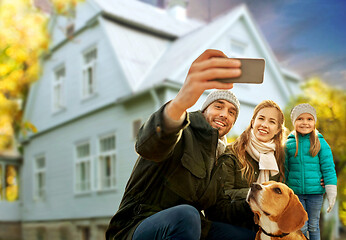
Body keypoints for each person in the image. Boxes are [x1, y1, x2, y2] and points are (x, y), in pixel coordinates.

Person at [105, 49, 256, 240]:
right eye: (218, 106)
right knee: (186, 215)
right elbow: (148, 145)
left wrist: (258, 201)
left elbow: (218, 210)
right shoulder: (181, 129)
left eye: (232, 112)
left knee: (249, 237)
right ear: (203, 110)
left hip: (191, 228)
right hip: (137, 225)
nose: (225, 114)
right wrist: (180, 103)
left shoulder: (221, 158)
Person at [222, 100, 286, 230]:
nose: (264, 125)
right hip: (233, 225)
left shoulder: (281, 158)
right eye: (261, 119)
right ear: (252, 122)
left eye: (272, 122)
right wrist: (257, 194)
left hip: (267, 228)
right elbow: (223, 195)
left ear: (278, 129)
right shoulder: (231, 153)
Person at [285, 103, 337, 240]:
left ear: (314, 122)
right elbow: (284, 168)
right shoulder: (289, 144)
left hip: (315, 194)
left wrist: (331, 191)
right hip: (296, 194)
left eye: (309, 119)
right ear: (294, 122)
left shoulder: (320, 142)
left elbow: (328, 167)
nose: (305, 123)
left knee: (313, 225)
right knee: (301, 226)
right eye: (300, 119)